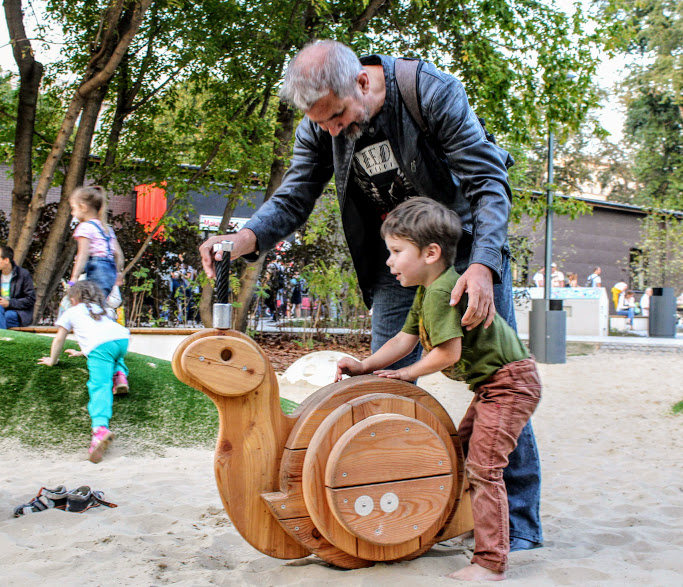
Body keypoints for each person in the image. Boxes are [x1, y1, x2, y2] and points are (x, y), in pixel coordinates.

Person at [198, 40, 543, 551]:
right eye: (323, 122)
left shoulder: (430, 92)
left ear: (362, 81)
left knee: (496, 384)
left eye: (337, 116)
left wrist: (484, 267)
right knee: (383, 391)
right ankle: (398, 516)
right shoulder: (318, 125)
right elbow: (294, 196)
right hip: (396, 266)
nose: (332, 129)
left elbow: (487, 182)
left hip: (467, 256)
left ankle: (518, 526)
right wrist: (244, 239)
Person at [335, 198, 541, 580]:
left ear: (431, 253)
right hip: (491, 386)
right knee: (455, 453)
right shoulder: (424, 292)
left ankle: (491, 561)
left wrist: (406, 374)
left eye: (396, 252)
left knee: (484, 467)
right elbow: (403, 339)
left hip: (510, 385)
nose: (389, 262)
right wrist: (363, 365)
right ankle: (453, 526)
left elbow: (447, 353)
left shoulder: (442, 292)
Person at [38, 281, 130, 463]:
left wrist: (53, 360)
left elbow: (59, 340)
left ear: (72, 298)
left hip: (101, 347)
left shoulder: (71, 312)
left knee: (99, 386)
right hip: (122, 338)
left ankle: (100, 429)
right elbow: (104, 335)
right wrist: (83, 351)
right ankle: (120, 374)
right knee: (115, 356)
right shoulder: (98, 309)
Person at [68, 186, 124, 298]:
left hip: (97, 271)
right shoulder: (106, 228)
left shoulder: (85, 227)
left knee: (91, 305)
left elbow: (83, 254)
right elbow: (118, 254)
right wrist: (118, 273)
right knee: (99, 302)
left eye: (73, 208)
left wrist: (74, 278)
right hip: (110, 273)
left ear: (83, 207)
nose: (72, 213)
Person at [0, 245, 36, 329]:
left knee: (7, 317)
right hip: (1, 310)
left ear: (6, 260)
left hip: (19, 312)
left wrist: (9, 303)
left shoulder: (23, 274)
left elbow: (30, 299)